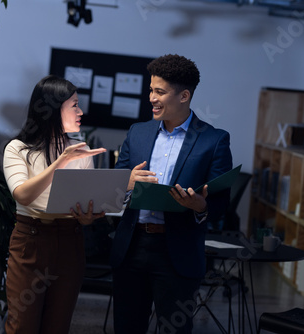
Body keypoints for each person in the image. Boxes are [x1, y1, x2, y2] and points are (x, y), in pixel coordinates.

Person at [110, 54, 233, 334]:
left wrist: (200, 205)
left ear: (184, 95)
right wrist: (126, 181)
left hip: (177, 253)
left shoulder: (214, 140)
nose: (151, 97)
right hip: (132, 248)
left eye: (160, 92)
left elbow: (220, 203)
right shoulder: (137, 133)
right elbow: (116, 188)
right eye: (151, 90)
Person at [2, 75, 106, 333]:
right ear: (51, 108)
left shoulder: (82, 152)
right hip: (31, 240)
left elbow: (85, 213)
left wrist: (89, 216)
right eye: (74, 105)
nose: (81, 111)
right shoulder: (18, 148)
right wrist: (61, 161)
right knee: (22, 326)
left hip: (70, 242)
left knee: (57, 326)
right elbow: (22, 195)